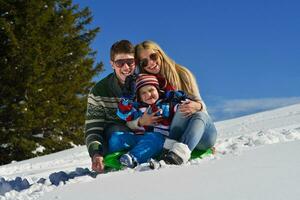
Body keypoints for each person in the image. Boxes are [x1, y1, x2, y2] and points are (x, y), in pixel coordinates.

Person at [133, 40, 217, 165]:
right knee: (181, 109)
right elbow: (132, 116)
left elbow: (202, 107)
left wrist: (197, 105)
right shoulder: (145, 86)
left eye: (153, 56)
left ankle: (175, 151)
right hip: (173, 134)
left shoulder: (183, 74)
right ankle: (176, 154)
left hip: (199, 134)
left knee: (198, 114)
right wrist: (140, 121)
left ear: (160, 54)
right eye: (144, 62)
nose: (150, 63)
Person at [110, 74, 188, 168]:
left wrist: (181, 100)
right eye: (143, 93)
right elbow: (123, 114)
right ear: (139, 96)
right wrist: (126, 99)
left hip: (159, 140)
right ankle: (117, 155)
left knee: (153, 139)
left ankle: (134, 158)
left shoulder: (167, 104)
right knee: (116, 137)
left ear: (158, 91)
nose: (148, 95)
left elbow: (182, 109)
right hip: (139, 138)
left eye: (151, 90)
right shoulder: (138, 108)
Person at [85, 40, 136, 173]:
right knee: (116, 129)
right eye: (120, 63)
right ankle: (119, 163)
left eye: (130, 62)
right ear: (112, 64)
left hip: (141, 135)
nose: (126, 67)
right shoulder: (99, 91)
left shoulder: (146, 85)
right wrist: (96, 153)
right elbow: (93, 129)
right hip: (114, 139)